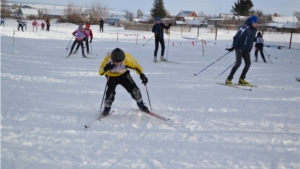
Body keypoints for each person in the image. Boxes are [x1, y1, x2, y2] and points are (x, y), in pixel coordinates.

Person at [98, 48, 149, 116]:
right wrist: (106, 68)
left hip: (123, 75)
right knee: (110, 93)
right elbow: (100, 72)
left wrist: (142, 75)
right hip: (111, 77)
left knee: (134, 89)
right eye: (116, 62)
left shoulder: (127, 59)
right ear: (113, 59)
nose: (118, 63)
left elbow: (137, 66)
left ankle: (140, 104)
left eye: (120, 62)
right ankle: (107, 109)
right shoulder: (107, 59)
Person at [225, 15, 258, 85]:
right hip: (239, 47)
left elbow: (250, 39)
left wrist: (255, 40)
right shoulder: (244, 27)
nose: (256, 24)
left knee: (248, 63)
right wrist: (234, 46)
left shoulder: (254, 30)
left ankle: (241, 79)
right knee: (238, 63)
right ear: (252, 22)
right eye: (255, 22)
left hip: (246, 49)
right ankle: (229, 79)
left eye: (257, 22)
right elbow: (237, 37)